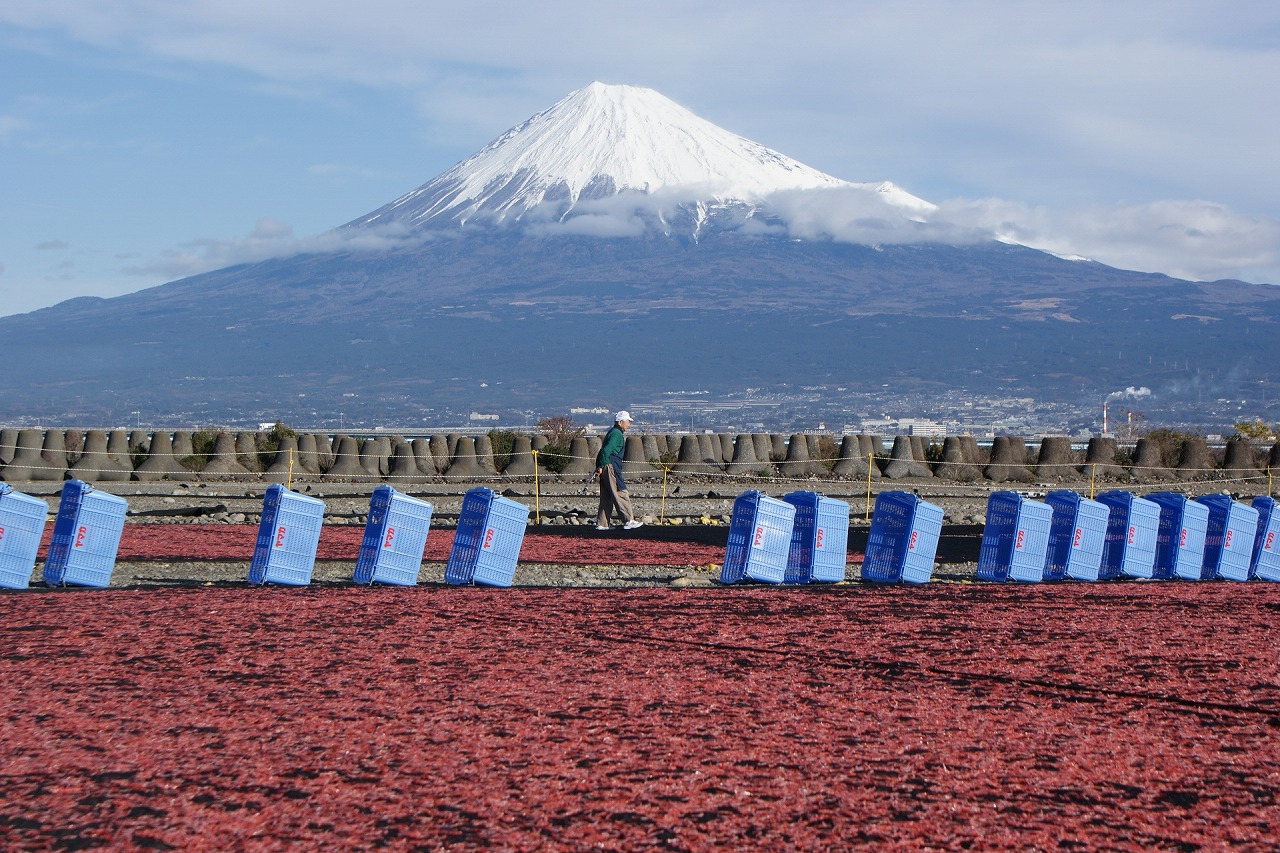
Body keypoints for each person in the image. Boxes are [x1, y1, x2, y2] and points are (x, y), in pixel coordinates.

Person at [595, 411, 643, 530]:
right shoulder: (616, 434)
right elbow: (606, 450)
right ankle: (628, 520)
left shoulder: (612, 432)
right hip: (611, 466)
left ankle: (602, 523)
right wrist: (602, 465)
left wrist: (600, 466)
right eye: (627, 422)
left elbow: (603, 451)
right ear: (620, 422)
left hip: (605, 465)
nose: (629, 424)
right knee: (620, 492)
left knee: (607, 495)